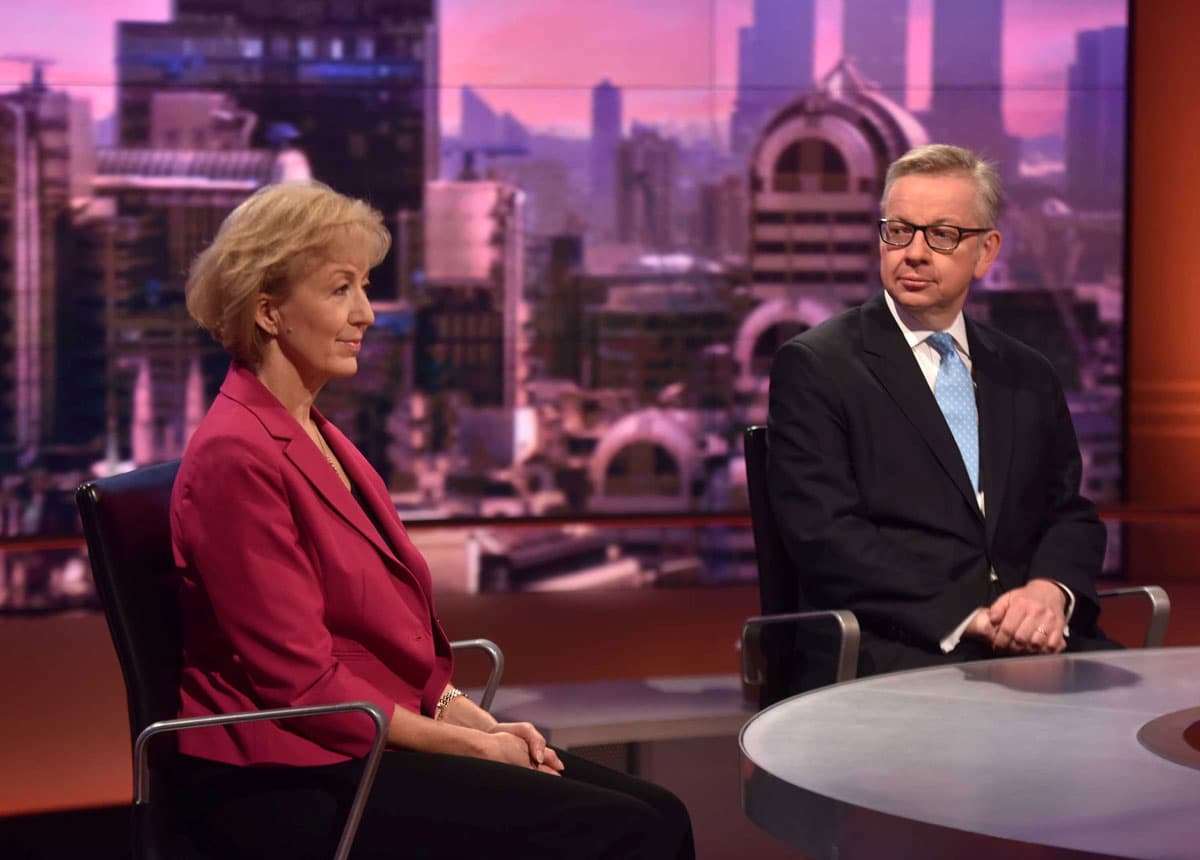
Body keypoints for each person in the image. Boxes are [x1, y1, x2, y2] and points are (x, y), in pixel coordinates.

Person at [171, 180, 695, 860]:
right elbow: (304, 687)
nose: (366, 313)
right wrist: (476, 748)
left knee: (661, 810)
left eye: (364, 287)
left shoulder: (323, 434)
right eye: (340, 290)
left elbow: (390, 643)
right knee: (625, 832)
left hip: (367, 739)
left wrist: (478, 720)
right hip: (291, 773)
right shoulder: (235, 457)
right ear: (269, 312)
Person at [766, 143, 1115, 682]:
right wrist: (968, 617)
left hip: (1033, 643)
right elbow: (826, 536)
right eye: (898, 231)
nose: (914, 252)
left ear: (987, 251)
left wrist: (1049, 593)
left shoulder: (1027, 373)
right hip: (902, 647)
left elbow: (1067, 513)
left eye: (942, 234)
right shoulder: (817, 366)